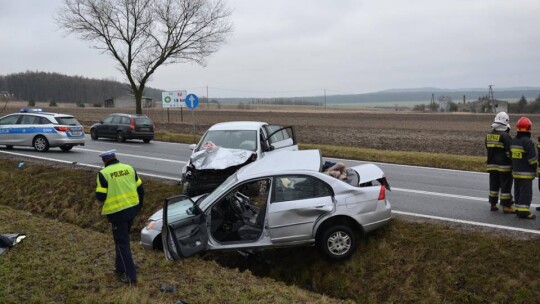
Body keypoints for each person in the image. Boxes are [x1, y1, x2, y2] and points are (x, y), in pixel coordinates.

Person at [95, 150, 144, 284]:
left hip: (117, 213)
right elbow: (141, 189)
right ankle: (120, 267)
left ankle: (130, 275)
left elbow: (101, 196)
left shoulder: (103, 174)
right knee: (121, 240)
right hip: (132, 210)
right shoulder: (129, 168)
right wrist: (138, 206)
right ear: (115, 157)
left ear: (104, 161)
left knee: (122, 243)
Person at [485, 112, 514, 213]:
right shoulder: (505, 136)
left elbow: (488, 148)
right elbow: (511, 150)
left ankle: (493, 204)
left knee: (494, 185)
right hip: (504, 166)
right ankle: (506, 206)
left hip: (492, 165)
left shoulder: (488, 135)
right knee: (505, 186)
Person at [510, 117, 537, 220]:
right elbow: (532, 160)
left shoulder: (514, 141)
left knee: (517, 191)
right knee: (526, 192)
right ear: (529, 128)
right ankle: (524, 212)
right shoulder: (528, 142)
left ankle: (518, 209)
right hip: (526, 173)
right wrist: (535, 169)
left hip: (516, 172)